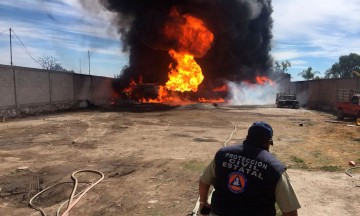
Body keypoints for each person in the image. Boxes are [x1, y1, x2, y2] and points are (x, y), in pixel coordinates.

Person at [198, 121, 300, 216]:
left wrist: (203, 202)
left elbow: (204, 180)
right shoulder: (275, 168)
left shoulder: (223, 154)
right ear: (268, 142)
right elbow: (289, 209)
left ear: (247, 137)